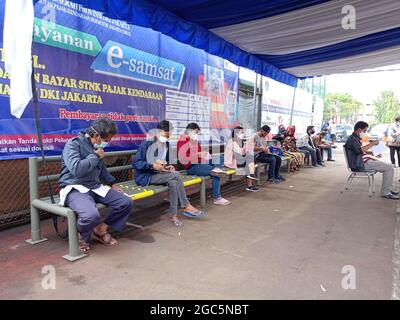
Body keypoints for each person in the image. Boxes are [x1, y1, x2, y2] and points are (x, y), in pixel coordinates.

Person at [59, 118, 134, 253]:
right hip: (75, 188)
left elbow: (101, 169)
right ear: (97, 136)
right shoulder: (73, 144)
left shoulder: (95, 147)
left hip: (94, 186)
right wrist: (95, 156)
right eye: (107, 139)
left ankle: (100, 229)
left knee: (126, 202)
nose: (108, 142)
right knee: (91, 215)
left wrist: (112, 183)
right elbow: (76, 169)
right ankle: (82, 234)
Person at [132, 120, 204, 227]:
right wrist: (152, 165)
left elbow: (167, 162)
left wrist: (168, 167)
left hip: (159, 174)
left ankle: (173, 215)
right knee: (176, 175)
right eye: (165, 135)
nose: (166, 138)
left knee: (173, 182)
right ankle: (185, 205)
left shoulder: (166, 145)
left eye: (168, 136)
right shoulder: (147, 143)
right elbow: (136, 163)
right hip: (146, 176)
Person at [177, 122, 231, 206]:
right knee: (216, 173)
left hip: (202, 162)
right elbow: (183, 158)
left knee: (221, 158)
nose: (196, 135)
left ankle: (215, 168)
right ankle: (217, 198)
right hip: (192, 166)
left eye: (197, 133)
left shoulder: (194, 141)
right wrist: (198, 154)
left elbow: (200, 152)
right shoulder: (182, 140)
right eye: (195, 132)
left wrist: (205, 154)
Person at [344, 121, 399, 200]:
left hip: (360, 161)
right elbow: (360, 150)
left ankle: (388, 190)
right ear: (359, 130)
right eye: (365, 131)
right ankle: (386, 192)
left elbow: (359, 151)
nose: (365, 133)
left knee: (389, 165)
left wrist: (372, 152)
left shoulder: (354, 137)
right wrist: (372, 143)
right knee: (389, 168)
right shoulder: (352, 139)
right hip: (359, 164)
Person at [224, 126, 259, 192]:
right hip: (231, 162)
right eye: (242, 132)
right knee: (250, 162)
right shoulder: (231, 141)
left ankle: (250, 182)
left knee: (251, 160)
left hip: (237, 160)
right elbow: (238, 153)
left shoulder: (239, 141)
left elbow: (242, 153)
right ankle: (250, 184)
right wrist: (246, 147)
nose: (243, 134)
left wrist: (248, 147)